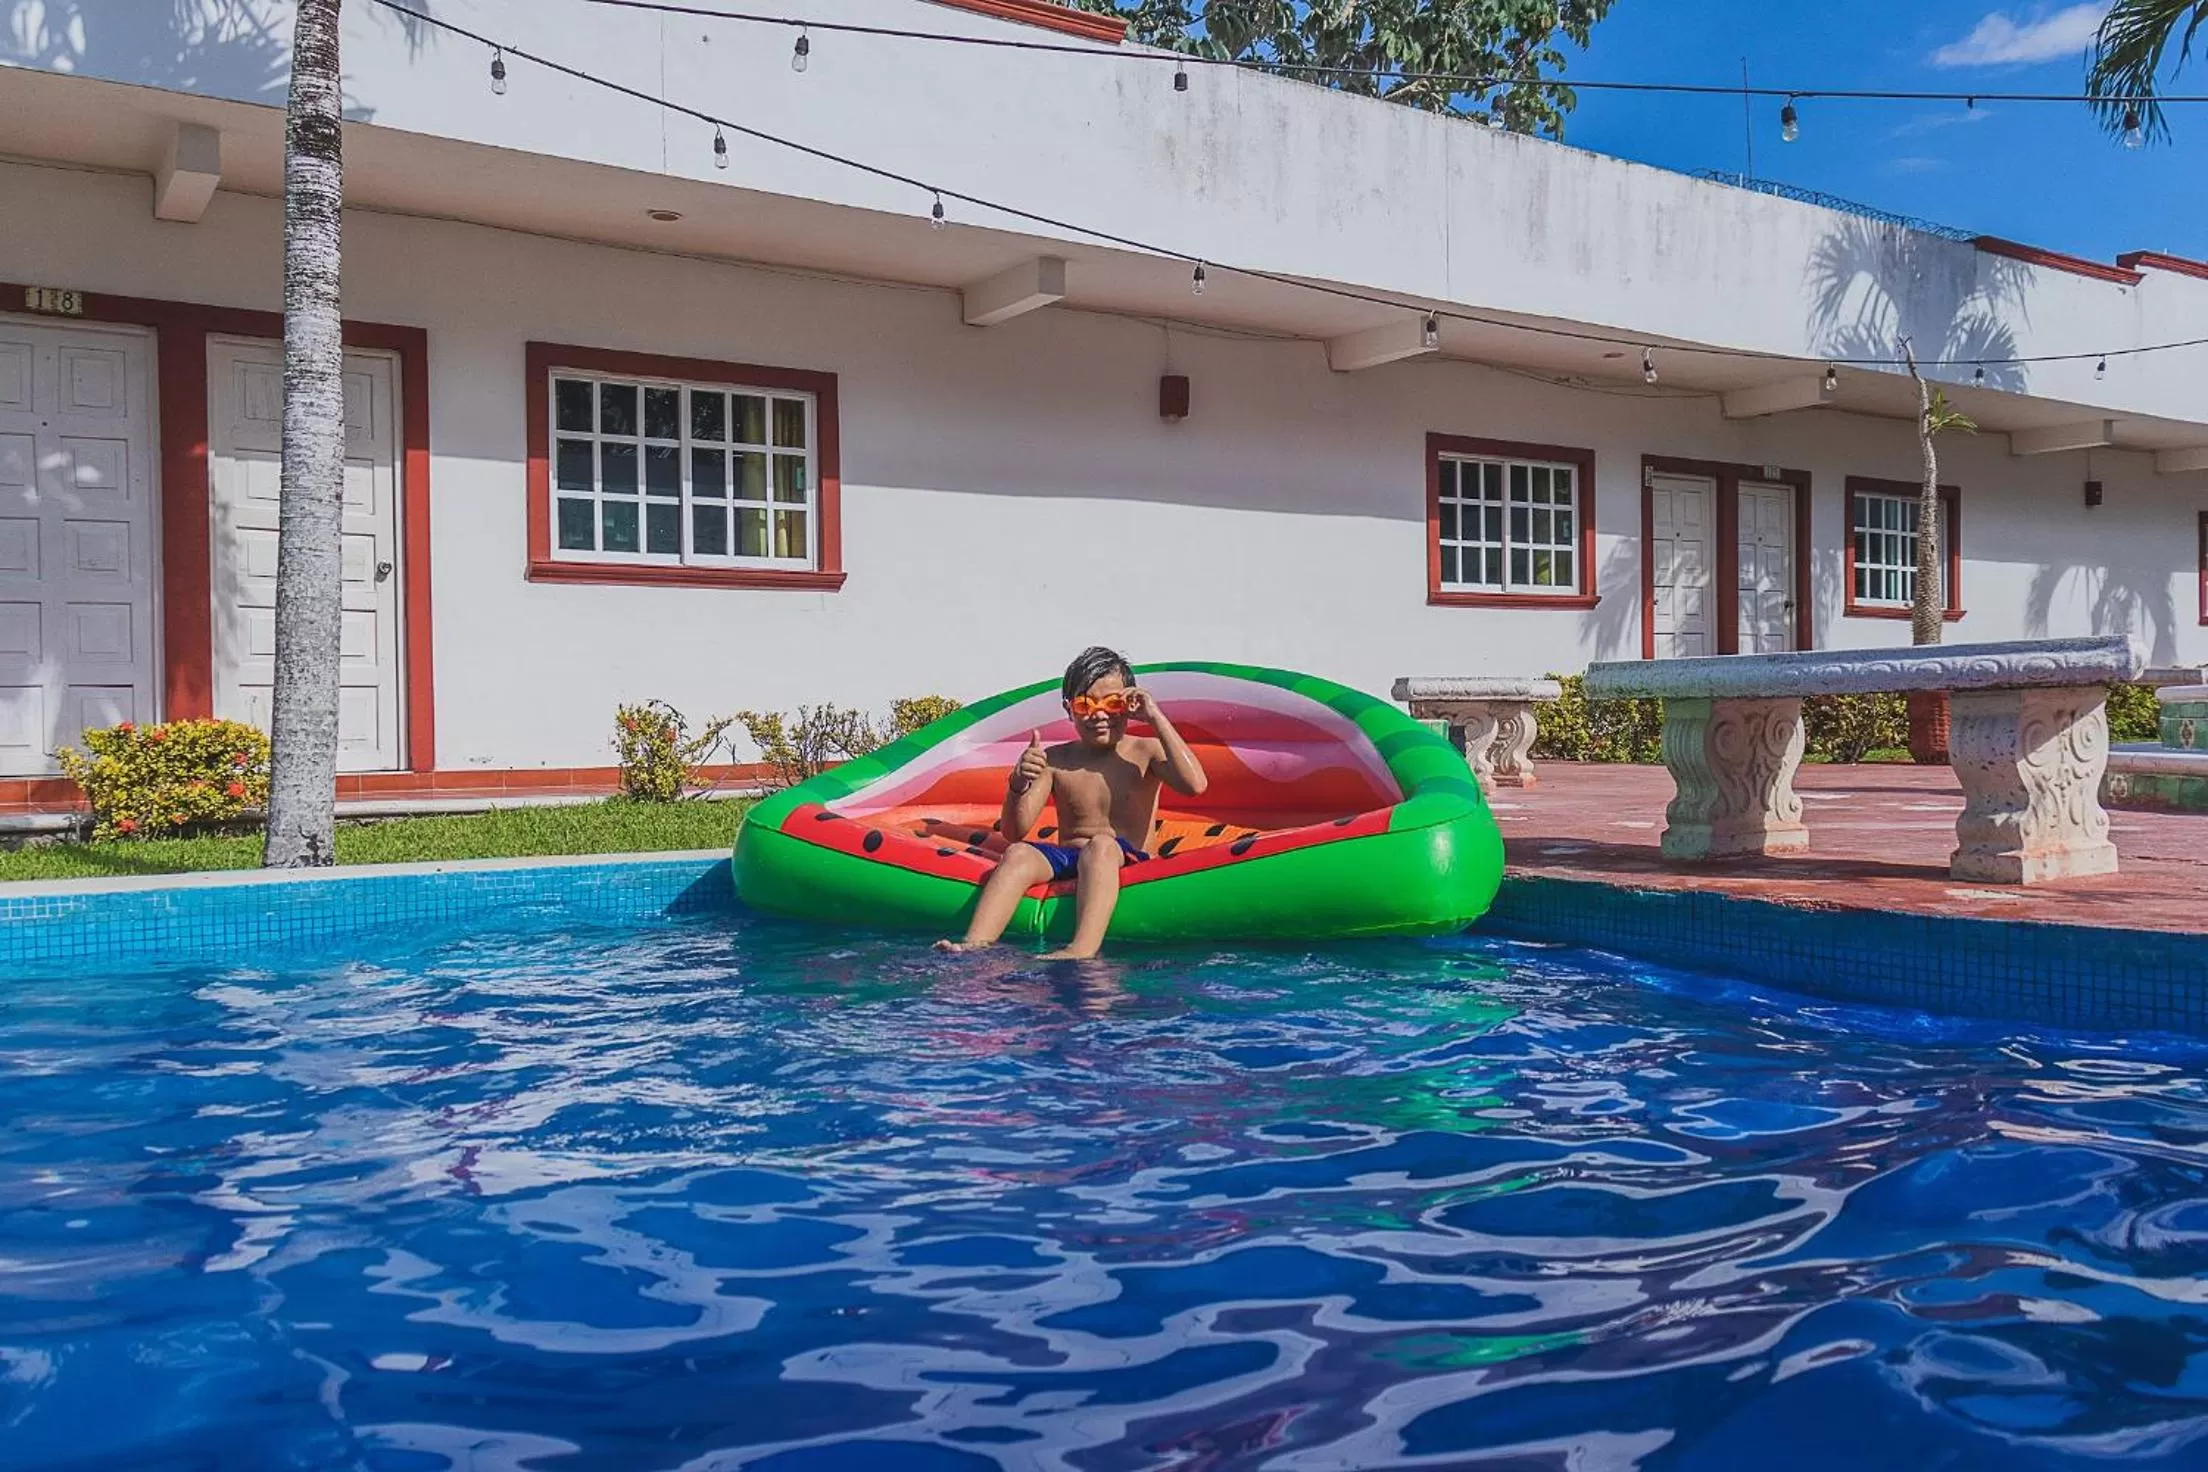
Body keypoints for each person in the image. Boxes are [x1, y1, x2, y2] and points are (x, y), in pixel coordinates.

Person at [937, 647, 1208, 960]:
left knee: (1101, 846)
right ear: (1069, 710)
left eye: (1113, 702)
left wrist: (1155, 716)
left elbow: (1196, 785)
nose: (1099, 714)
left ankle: (1081, 948)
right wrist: (1018, 782)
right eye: (1085, 704)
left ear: (1130, 704)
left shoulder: (1145, 752)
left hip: (1125, 858)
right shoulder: (1056, 760)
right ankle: (975, 944)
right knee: (1018, 854)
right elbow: (1015, 831)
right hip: (1069, 858)